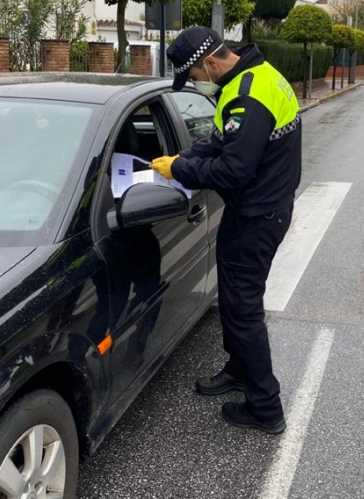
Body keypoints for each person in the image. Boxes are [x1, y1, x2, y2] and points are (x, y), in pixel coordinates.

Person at [150, 26, 301, 434]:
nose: (197, 83)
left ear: (211, 62)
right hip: (259, 210)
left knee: (242, 310)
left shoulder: (247, 95)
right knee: (237, 304)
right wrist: (183, 155)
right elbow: (221, 142)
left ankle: (265, 407)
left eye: (195, 75)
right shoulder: (255, 76)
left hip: (257, 216)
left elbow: (234, 169)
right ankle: (239, 369)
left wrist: (178, 169)